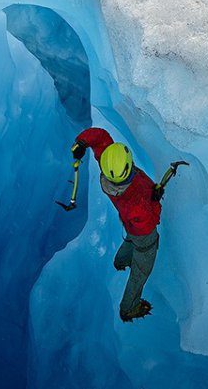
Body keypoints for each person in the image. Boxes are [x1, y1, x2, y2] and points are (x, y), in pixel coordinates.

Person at [71, 126, 163, 322]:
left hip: (131, 225)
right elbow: (151, 220)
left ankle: (120, 262)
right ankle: (128, 308)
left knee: (130, 237)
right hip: (143, 232)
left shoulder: (109, 164)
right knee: (141, 269)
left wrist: (81, 142)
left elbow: (100, 136)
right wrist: (155, 199)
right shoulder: (134, 203)